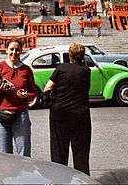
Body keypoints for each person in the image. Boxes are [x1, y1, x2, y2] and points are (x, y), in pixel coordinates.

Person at [43, 42, 91, 175]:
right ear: (82, 56)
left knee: (58, 151)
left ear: (69, 55)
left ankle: (59, 179)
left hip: (59, 113)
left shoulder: (61, 68)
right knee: (81, 152)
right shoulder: (86, 71)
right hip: (80, 114)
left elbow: (48, 87)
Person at [0, 38, 36, 156]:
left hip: (20, 114)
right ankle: (7, 175)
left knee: (24, 154)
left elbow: (33, 92)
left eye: (17, 50)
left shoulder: (26, 70)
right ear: (6, 50)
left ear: (21, 51)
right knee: (5, 155)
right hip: (1, 114)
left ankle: (23, 174)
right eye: (11, 49)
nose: (14, 53)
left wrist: (26, 96)